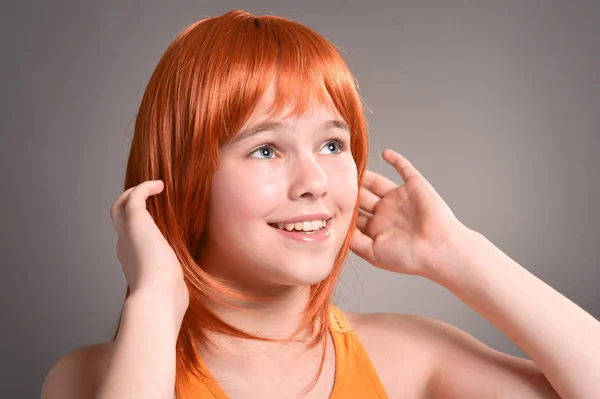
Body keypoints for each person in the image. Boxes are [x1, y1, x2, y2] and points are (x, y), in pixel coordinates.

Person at [41, 9, 599, 399]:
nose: (315, 181)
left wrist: (458, 255)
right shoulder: (91, 378)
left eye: (333, 145)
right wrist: (155, 298)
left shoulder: (404, 356)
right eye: (265, 149)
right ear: (183, 176)